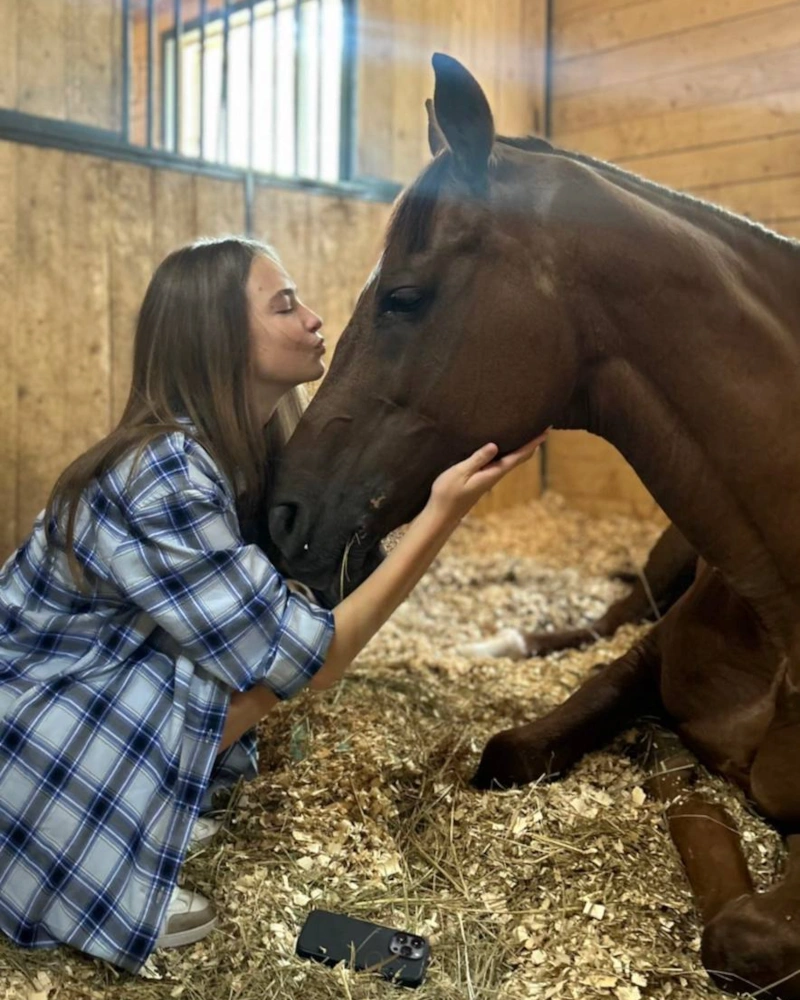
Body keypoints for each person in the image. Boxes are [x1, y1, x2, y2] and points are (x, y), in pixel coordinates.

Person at [0, 236, 546, 974]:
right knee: (220, 664)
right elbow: (311, 659)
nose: (314, 319)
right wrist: (442, 514)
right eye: (285, 306)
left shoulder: (237, 451)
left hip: (75, 697)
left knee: (224, 648)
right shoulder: (166, 470)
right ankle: (76, 856)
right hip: (27, 732)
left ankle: (150, 810)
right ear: (220, 336)